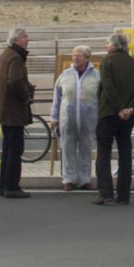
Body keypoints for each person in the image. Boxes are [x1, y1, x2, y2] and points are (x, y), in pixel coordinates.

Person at [94, 31, 134, 205]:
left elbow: (108, 88)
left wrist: (119, 108)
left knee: (104, 152)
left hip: (108, 113)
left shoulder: (107, 61)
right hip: (128, 116)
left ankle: (106, 192)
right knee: (125, 154)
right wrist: (130, 108)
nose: (106, 46)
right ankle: (124, 194)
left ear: (113, 45)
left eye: (107, 44)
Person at [0, 27, 33, 198]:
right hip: (12, 110)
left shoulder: (5, 55)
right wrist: (26, 97)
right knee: (15, 149)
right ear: (16, 39)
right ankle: (12, 186)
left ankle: (4, 185)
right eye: (24, 37)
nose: (27, 39)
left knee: (8, 149)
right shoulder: (15, 57)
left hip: (4, 108)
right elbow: (15, 81)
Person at [51, 45, 100, 192]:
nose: (75, 58)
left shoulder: (97, 75)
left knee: (86, 149)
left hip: (88, 119)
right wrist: (54, 116)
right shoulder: (65, 74)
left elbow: (101, 97)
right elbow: (57, 97)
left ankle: (85, 179)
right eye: (73, 55)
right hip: (68, 119)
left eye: (79, 55)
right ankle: (69, 179)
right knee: (67, 149)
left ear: (86, 58)